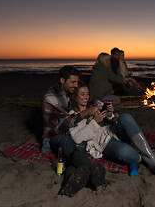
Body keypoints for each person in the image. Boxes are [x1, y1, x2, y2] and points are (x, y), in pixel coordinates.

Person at [69, 84, 155, 175]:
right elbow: (77, 138)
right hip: (103, 143)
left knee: (125, 117)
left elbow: (110, 120)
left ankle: (153, 163)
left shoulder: (95, 104)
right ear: (74, 96)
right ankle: (153, 156)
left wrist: (110, 114)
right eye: (82, 94)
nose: (86, 97)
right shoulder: (72, 116)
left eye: (87, 94)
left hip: (113, 131)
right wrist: (94, 122)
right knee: (125, 152)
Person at [41, 65, 106, 197]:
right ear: (62, 81)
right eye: (73, 82)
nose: (76, 85)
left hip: (73, 134)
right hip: (55, 137)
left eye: (77, 82)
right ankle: (92, 169)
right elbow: (61, 127)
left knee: (78, 144)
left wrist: (100, 105)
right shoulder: (51, 98)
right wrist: (84, 114)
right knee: (68, 140)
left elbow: (86, 98)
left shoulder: (70, 92)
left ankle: (71, 181)